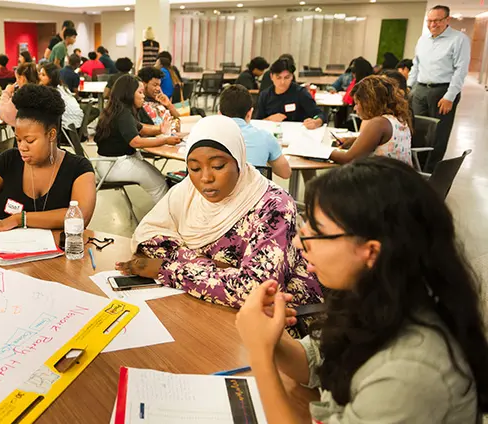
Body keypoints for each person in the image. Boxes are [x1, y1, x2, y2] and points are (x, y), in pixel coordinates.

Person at [236, 156, 488, 423]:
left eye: (316, 233)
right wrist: (271, 340)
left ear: (370, 251)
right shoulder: (380, 300)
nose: (298, 243)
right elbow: (316, 362)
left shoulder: (411, 371)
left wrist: (260, 356)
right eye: (304, 224)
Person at [117, 115, 321, 311]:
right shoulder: (186, 193)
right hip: (206, 304)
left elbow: (258, 290)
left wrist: (166, 269)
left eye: (218, 166)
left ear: (239, 160)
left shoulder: (274, 206)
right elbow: (148, 239)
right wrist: (213, 266)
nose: (205, 178)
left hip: (283, 317)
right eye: (194, 168)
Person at [0, 84, 96, 236]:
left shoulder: (78, 169)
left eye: (30, 140)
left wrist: (19, 219)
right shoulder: (9, 160)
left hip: (52, 257)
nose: (22, 147)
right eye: (18, 139)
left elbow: (80, 216)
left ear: (51, 135)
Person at [93, 75, 180, 203]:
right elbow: (136, 141)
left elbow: (141, 129)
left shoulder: (118, 109)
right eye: (140, 92)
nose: (143, 96)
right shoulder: (123, 114)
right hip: (115, 165)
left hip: (108, 163)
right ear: (128, 94)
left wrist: (160, 129)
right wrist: (165, 140)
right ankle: (167, 219)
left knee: (158, 179)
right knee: (160, 184)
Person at [409, 5, 470, 173]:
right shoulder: (423, 39)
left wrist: (450, 96)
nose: (433, 24)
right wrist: (409, 86)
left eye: (437, 20)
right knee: (418, 132)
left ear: (447, 20)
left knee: (437, 137)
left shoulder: (459, 39)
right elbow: (416, 65)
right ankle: (415, 171)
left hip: (442, 92)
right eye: (430, 21)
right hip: (420, 90)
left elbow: (461, 70)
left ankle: (430, 174)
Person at [330, 75, 413, 166]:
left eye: (357, 103)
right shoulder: (399, 119)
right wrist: (354, 141)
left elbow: (348, 159)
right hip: (400, 177)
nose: (354, 108)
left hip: (383, 178)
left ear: (369, 102)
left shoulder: (378, 123)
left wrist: (322, 152)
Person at [219, 85, 291, 179]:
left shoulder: (207, 137)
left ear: (219, 113)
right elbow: (285, 173)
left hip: (221, 192)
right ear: (250, 113)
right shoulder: (265, 137)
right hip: (256, 192)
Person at [254, 59, 325, 129]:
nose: (282, 82)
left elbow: (319, 115)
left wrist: (316, 122)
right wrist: (269, 119)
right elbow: (257, 122)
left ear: (292, 77)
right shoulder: (265, 95)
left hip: (297, 134)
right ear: (271, 77)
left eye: (286, 77)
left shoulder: (300, 93)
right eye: (278, 77)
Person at [39, 63, 83, 131]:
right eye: (40, 74)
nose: (39, 77)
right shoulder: (63, 87)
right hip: (77, 127)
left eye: (43, 75)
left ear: (51, 78)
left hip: (66, 130)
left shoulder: (52, 94)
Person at [137, 67, 180, 133]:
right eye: (155, 85)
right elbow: (139, 128)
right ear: (144, 84)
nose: (158, 89)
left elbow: (178, 117)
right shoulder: (138, 102)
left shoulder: (159, 100)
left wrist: (168, 104)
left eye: (159, 85)